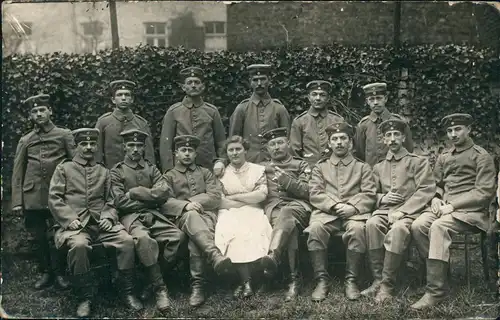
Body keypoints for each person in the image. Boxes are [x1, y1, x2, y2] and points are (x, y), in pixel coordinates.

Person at [48, 128, 143, 317]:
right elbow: (54, 198)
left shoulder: (103, 171)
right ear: (76, 146)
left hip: (101, 224)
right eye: (84, 144)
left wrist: (108, 216)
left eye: (92, 144)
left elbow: (111, 200)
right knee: (79, 245)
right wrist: (69, 219)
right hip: (75, 225)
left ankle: (127, 292)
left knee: (126, 241)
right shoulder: (64, 168)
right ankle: (85, 297)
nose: (89, 147)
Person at [410, 113, 496, 309]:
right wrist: (436, 197)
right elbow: (437, 184)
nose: (453, 134)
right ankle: (441, 278)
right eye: (449, 130)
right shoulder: (444, 156)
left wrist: (453, 206)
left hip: (471, 213)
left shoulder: (481, 156)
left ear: (469, 130)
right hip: (445, 208)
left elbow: (483, 191)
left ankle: (435, 292)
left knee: (438, 227)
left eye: (458, 129)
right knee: (418, 225)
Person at [110, 129, 185, 313]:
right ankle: (160, 289)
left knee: (178, 237)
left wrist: (136, 192)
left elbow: (164, 192)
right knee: (144, 240)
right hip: (132, 218)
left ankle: (149, 281)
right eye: (131, 146)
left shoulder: (151, 168)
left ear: (144, 148)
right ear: (124, 147)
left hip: (154, 214)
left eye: (139, 146)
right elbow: (120, 201)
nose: (135, 149)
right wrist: (151, 197)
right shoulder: (117, 171)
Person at [361, 119, 436, 303]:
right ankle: (378, 279)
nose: (392, 139)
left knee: (398, 230)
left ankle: (388, 285)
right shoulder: (378, 166)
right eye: (388, 135)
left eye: (396, 135)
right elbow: (370, 192)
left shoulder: (417, 162)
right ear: (384, 140)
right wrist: (381, 198)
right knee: (371, 224)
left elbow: (426, 189)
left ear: (403, 137)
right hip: (384, 211)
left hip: (411, 212)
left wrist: (402, 211)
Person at [305, 121, 376, 302]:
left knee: (358, 230)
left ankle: (351, 280)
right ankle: (321, 280)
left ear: (350, 142)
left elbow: (369, 193)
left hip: (355, 213)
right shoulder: (320, 167)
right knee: (315, 230)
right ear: (329, 143)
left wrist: (352, 207)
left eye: (343, 138)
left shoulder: (362, 167)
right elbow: (315, 193)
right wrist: (335, 206)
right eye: (334, 139)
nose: (339, 142)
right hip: (327, 213)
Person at [11, 93, 75, 290]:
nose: (39, 114)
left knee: (59, 234)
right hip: (33, 196)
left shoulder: (64, 135)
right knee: (38, 237)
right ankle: (46, 272)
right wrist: (17, 200)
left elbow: (75, 165)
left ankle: (60, 272)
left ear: (50, 111)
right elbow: (17, 171)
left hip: (58, 195)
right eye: (34, 111)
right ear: (31, 115)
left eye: (42, 110)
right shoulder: (26, 140)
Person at [161, 135, 233, 307]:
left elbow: (215, 197)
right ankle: (213, 256)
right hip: (181, 219)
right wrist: (186, 205)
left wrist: (194, 201)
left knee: (195, 238)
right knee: (192, 218)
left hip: (207, 217)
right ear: (176, 153)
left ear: (195, 154)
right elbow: (164, 201)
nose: (187, 154)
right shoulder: (169, 176)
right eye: (183, 150)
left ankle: (198, 286)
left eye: (190, 151)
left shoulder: (205, 173)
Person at [258, 128, 312, 302]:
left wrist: (286, 181)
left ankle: (273, 259)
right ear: (266, 148)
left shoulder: (300, 165)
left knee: (287, 213)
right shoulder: (261, 168)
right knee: (290, 227)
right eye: (272, 144)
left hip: (299, 207)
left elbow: (308, 191)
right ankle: (294, 280)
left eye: (280, 142)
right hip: (273, 210)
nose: (276, 147)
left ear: (288, 144)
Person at [215, 135, 272, 298]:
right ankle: (245, 281)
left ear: (245, 151)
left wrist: (234, 197)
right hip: (230, 212)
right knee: (233, 232)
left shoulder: (257, 170)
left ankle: (259, 279)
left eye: (238, 149)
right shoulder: (222, 173)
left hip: (254, 209)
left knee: (258, 229)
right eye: (230, 150)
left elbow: (261, 195)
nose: (234, 153)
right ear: (226, 153)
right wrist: (246, 197)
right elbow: (220, 201)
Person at [159, 66, 226, 172]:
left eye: (197, 82)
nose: (193, 85)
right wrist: (169, 171)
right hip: (180, 169)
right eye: (189, 82)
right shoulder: (174, 111)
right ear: (183, 87)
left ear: (203, 86)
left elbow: (221, 141)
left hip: (207, 167)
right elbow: (165, 146)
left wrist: (221, 161)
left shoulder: (212, 111)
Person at [226, 64, 290, 165]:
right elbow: (234, 140)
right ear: (250, 83)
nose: (259, 83)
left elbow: (287, 138)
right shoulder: (242, 108)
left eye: (263, 79)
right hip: (249, 163)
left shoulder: (279, 108)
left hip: (275, 164)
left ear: (269, 81)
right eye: (255, 80)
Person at [95, 80, 155, 169]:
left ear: (132, 99)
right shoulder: (104, 122)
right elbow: (97, 154)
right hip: (111, 174)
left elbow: (149, 156)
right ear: (113, 100)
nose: (123, 98)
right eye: (119, 95)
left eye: (127, 95)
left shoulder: (141, 123)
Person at [354, 82, 413, 167]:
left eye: (378, 98)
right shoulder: (363, 125)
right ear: (367, 101)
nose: (375, 102)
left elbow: (408, 149)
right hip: (371, 174)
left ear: (385, 99)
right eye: (371, 99)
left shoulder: (399, 122)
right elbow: (359, 153)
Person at [289, 80, 344, 167]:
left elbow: (345, 148)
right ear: (308, 97)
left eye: (322, 95)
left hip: (334, 169)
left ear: (328, 98)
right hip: (309, 170)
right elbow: (294, 152)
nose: (318, 98)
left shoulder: (337, 120)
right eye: (314, 94)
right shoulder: (299, 121)